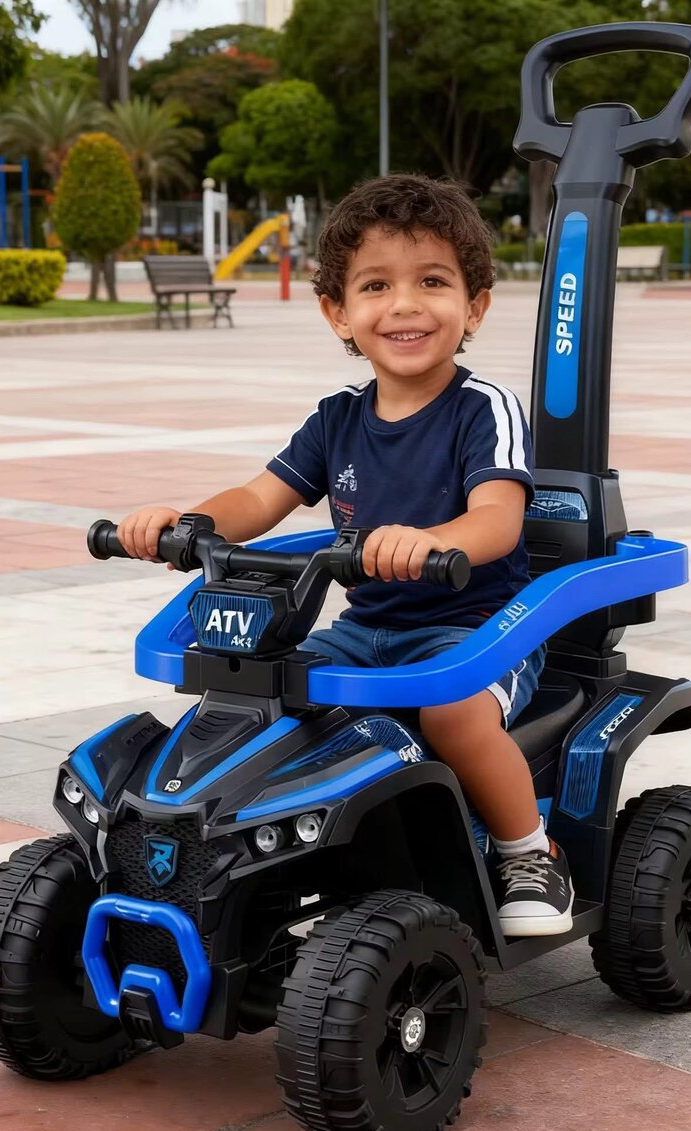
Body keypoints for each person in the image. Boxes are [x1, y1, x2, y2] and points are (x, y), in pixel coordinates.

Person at [116, 174, 573, 936]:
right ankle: (249, 860)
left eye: (433, 281)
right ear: (339, 313)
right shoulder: (336, 419)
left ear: (475, 307)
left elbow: (497, 518)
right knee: (262, 694)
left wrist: (433, 541)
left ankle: (529, 851)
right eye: (375, 286)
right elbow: (259, 500)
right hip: (366, 630)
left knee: (452, 713)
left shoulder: (481, 409)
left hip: (480, 631)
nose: (404, 305)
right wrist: (185, 523)